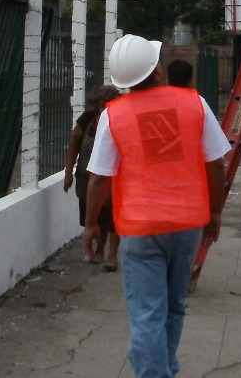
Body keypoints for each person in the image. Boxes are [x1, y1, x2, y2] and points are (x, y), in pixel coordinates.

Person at [83, 34, 230, 378]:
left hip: (140, 229)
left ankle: (156, 372)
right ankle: (164, 369)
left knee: (147, 314)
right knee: (174, 307)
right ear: (158, 69)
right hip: (188, 223)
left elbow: (100, 178)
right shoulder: (195, 103)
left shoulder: (113, 115)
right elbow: (216, 164)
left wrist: (91, 224)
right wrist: (215, 212)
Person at [63, 84, 121, 270]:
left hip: (115, 177)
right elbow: (74, 143)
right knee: (96, 216)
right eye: (102, 104)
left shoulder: (120, 118)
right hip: (88, 177)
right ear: (97, 104)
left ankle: (112, 256)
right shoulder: (88, 119)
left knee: (114, 217)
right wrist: (68, 173)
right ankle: (100, 249)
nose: (105, 108)